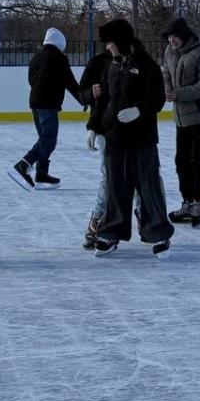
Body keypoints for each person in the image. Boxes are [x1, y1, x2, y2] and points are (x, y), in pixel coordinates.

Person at [93, 18, 174, 258]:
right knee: (115, 185)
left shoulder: (146, 64)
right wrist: (94, 127)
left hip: (142, 138)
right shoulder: (112, 66)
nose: (108, 48)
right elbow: (104, 99)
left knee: (147, 185)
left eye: (110, 43)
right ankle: (110, 233)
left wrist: (139, 110)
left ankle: (158, 234)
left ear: (120, 41)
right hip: (115, 137)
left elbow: (158, 97)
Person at [161, 16, 200, 227]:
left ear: (184, 36)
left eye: (174, 36)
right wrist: (169, 89)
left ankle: (199, 203)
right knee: (182, 162)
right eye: (169, 37)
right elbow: (166, 70)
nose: (171, 41)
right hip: (181, 118)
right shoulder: (170, 51)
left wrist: (178, 94)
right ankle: (187, 202)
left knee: (199, 162)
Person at [9, 28, 81, 190]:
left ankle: (41, 174)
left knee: (44, 138)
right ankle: (24, 164)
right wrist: (83, 99)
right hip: (48, 103)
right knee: (48, 139)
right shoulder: (59, 58)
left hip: (35, 101)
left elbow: (31, 78)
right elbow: (70, 82)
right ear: (60, 44)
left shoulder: (37, 57)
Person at [78, 43, 113, 249]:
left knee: (137, 176)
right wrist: (90, 93)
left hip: (130, 130)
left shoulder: (133, 62)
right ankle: (96, 221)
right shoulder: (97, 63)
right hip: (104, 128)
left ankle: (143, 217)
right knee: (109, 177)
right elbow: (81, 92)